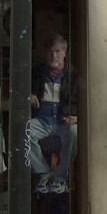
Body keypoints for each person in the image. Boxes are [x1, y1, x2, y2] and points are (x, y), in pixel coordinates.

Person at [28, 35, 78, 195]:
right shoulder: (37, 73)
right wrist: (28, 95)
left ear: (65, 53)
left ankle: (60, 179)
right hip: (42, 121)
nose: (54, 56)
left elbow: (87, 102)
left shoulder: (74, 75)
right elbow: (20, 91)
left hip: (63, 122)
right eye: (50, 52)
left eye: (58, 51)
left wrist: (77, 118)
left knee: (74, 133)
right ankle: (43, 173)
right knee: (24, 130)